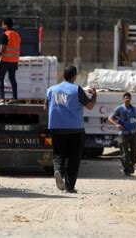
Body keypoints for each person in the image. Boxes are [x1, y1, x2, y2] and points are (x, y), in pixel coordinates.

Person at [45, 65, 97, 193]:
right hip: (75, 129)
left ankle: (57, 170)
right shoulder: (76, 89)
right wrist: (94, 95)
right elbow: (90, 106)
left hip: (56, 128)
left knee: (58, 153)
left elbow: (45, 107)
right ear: (74, 77)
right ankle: (69, 186)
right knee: (74, 158)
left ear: (63, 75)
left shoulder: (51, 90)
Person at [108, 92, 136, 176]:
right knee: (125, 153)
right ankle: (127, 169)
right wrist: (116, 124)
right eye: (126, 98)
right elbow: (110, 118)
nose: (127, 100)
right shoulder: (119, 109)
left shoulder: (134, 109)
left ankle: (131, 165)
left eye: (129, 98)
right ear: (123, 99)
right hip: (123, 134)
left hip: (134, 133)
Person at [0, 18, 21, 104]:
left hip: (5, 61)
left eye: (3, 24)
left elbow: (2, 49)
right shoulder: (17, 35)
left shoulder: (5, 35)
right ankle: (15, 98)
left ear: (6, 25)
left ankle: (2, 99)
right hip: (14, 61)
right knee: (12, 79)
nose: (2, 26)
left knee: (0, 79)